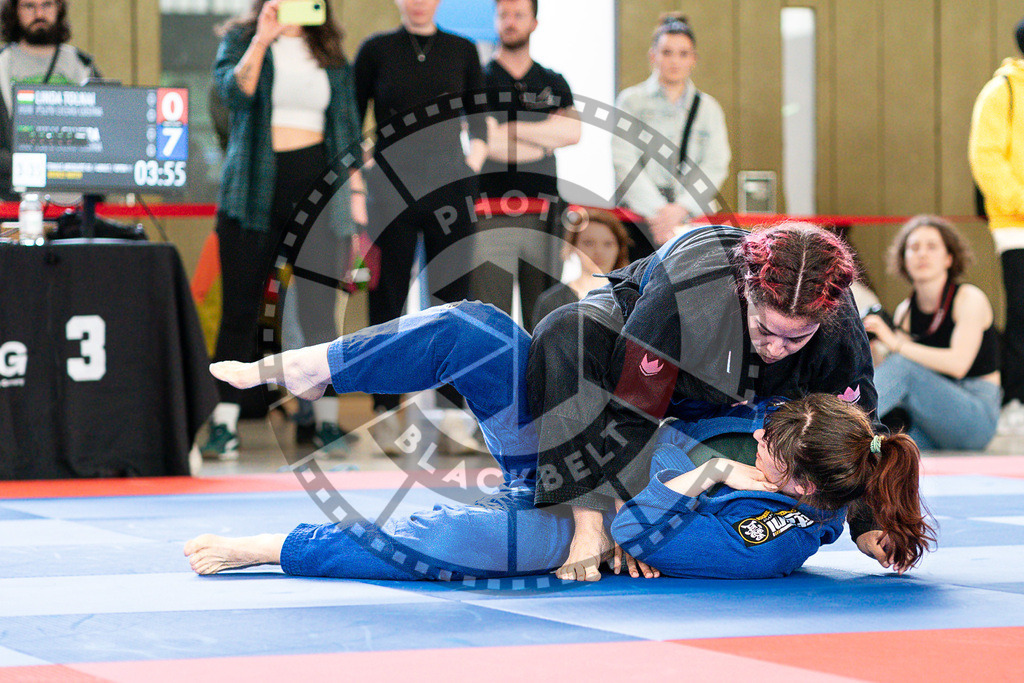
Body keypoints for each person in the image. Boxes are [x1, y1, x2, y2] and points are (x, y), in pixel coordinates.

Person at [185, 303, 933, 580]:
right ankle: (320, 369)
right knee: (475, 330)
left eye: (772, 448)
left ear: (801, 487)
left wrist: (709, 483)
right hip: (574, 450)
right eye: (773, 421)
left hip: (578, 523)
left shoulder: (768, 535)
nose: (760, 432)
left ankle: (276, 546)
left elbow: (641, 530)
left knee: (453, 540)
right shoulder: (798, 426)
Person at [528, 222, 887, 581]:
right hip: (650, 338)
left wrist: (870, 521)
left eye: (796, 337)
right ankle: (588, 526)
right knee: (565, 331)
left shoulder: (836, 317)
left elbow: (859, 430)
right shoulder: (685, 290)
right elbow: (631, 409)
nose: (777, 348)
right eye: (766, 329)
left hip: (736, 399)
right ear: (746, 291)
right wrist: (627, 520)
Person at [201, 0, 360, 460]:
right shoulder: (242, 39)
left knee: (317, 312)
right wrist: (262, 38)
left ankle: (326, 422)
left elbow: (346, 130)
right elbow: (233, 95)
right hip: (253, 190)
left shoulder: (329, 49)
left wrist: (355, 201)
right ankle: (224, 422)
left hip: (318, 190)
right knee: (241, 310)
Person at [353, 0, 486, 449]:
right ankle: (384, 411)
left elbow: (480, 118)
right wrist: (357, 184)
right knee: (388, 296)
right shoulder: (376, 49)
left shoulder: (463, 49)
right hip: (389, 189)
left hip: (451, 185)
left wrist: (474, 160)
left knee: (452, 295)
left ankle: (451, 412)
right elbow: (351, 120)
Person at [472, 0, 581, 327]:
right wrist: (544, 139)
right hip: (489, 214)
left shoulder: (553, 81)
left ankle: (540, 380)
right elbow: (485, 143)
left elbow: (572, 132)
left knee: (545, 319)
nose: (510, 22)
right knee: (491, 321)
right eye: (503, 15)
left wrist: (511, 129)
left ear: (534, 22)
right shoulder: (479, 79)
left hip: (545, 213)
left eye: (519, 15)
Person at [863, 216, 1001, 451]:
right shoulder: (905, 311)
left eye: (932, 247)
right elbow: (896, 379)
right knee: (885, 446)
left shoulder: (969, 298)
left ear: (949, 258)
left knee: (903, 365)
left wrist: (895, 344)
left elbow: (958, 364)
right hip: (931, 420)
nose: (922, 254)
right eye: (914, 248)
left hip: (976, 418)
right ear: (904, 260)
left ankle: (839, 424)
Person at [612, 13, 730, 248]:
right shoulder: (631, 101)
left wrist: (681, 208)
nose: (675, 61)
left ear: (693, 59)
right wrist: (659, 213)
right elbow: (623, 161)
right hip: (640, 219)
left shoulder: (708, 108)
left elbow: (716, 165)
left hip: (691, 219)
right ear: (652, 56)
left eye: (683, 54)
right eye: (667, 52)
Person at [968, 17, 1024, 433]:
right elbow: (987, 158)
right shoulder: (1002, 91)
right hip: (1016, 225)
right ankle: (1015, 401)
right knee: (1021, 313)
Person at [0, 0, 99, 200]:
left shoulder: (83, 66)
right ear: (14, 11)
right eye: (29, 6)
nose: (39, 13)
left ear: (59, 8)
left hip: (75, 198)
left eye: (46, 5)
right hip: (11, 198)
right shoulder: (3, 63)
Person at [530, 207, 631, 331]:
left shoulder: (632, 301)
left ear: (619, 248)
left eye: (608, 244)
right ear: (573, 246)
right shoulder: (550, 302)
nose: (598, 252)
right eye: (589, 243)